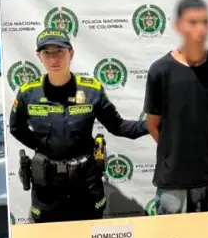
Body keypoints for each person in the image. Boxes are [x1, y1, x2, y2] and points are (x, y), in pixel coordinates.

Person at [9, 29, 148, 223]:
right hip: (47, 186)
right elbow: (16, 128)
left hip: (86, 183)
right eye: (46, 53)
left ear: (71, 53)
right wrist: (44, 145)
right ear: (39, 57)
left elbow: (119, 126)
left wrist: (155, 123)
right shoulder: (27, 93)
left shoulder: (91, 90)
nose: (53, 58)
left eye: (59, 51)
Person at [143, 0, 208, 214]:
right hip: (174, 181)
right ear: (178, 26)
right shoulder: (160, 70)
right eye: (193, 22)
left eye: (204, 22)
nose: (200, 29)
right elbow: (153, 125)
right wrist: (179, 152)